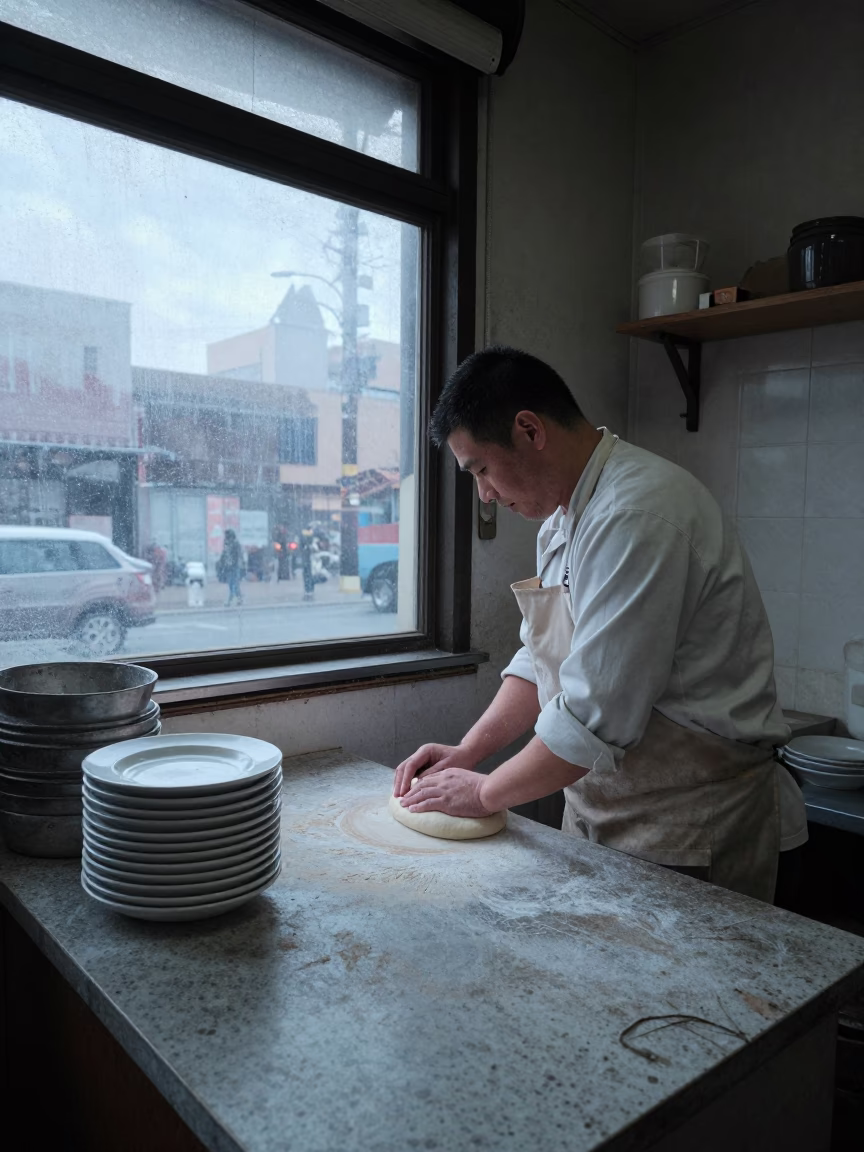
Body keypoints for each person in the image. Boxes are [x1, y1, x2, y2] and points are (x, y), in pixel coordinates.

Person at [393, 346, 807, 904]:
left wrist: (486, 792)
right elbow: (542, 662)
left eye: (482, 470)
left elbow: (592, 715)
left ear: (529, 430)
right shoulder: (566, 519)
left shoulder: (638, 515)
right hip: (601, 809)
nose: (485, 494)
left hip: (690, 826)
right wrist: (467, 751)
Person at [217, 528, 245, 607]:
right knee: (232, 584)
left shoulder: (235, 544)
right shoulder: (227, 543)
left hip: (234, 566)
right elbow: (224, 554)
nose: (225, 537)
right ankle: (239, 598)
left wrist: (240, 563)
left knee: (234, 584)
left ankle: (230, 600)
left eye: (226, 535)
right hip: (229, 567)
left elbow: (238, 555)